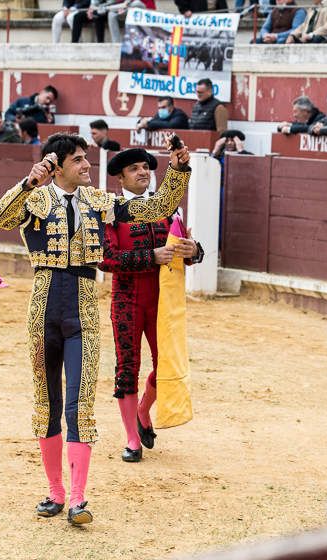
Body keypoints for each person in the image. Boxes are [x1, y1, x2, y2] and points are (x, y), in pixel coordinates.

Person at [0, 133, 191, 526]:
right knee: (46, 403)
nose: (87, 166)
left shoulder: (100, 203)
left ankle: (79, 499)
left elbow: (159, 207)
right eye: (79, 160)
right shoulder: (36, 198)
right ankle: (55, 492)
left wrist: (179, 168)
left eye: (87, 159)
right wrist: (30, 181)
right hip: (43, 303)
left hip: (82, 305)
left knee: (79, 404)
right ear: (58, 165)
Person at [98, 148, 203, 463]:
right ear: (121, 177)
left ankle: (143, 409)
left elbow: (187, 250)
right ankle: (132, 438)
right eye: (134, 169)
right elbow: (104, 258)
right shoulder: (110, 211)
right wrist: (150, 257)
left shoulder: (167, 210)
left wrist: (194, 249)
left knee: (167, 364)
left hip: (163, 302)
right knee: (127, 368)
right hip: (128, 299)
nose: (143, 172)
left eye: (146, 167)